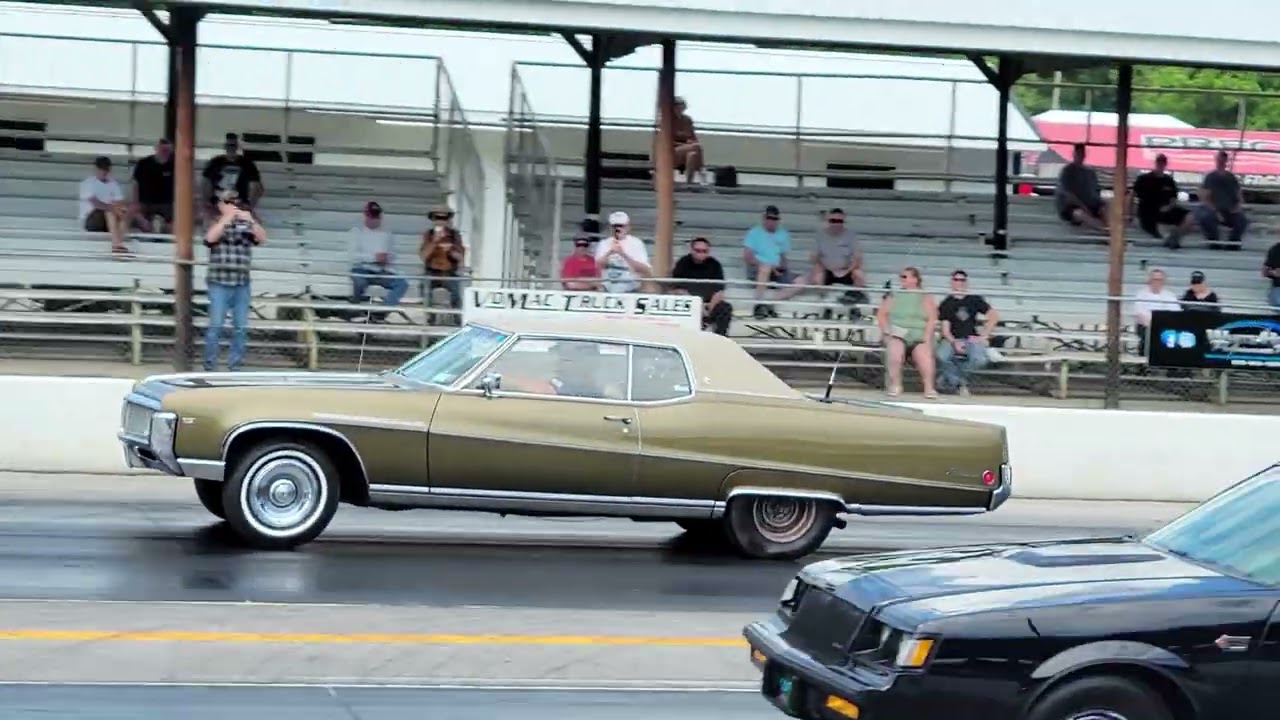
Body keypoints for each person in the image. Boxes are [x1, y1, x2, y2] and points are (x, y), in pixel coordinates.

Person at [202, 190, 265, 372]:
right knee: (216, 326)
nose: (233, 206)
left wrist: (251, 220)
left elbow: (262, 238)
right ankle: (209, 365)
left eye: (235, 202)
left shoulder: (247, 223)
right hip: (219, 282)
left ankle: (235, 365)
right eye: (228, 202)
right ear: (220, 204)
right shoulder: (214, 221)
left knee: (240, 328)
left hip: (241, 283)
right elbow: (209, 239)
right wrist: (226, 219)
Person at [875, 266, 938, 399]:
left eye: (905, 277)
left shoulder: (925, 297)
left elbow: (932, 318)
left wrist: (926, 337)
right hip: (898, 332)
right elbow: (881, 315)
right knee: (895, 353)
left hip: (918, 333)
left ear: (915, 279)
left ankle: (929, 387)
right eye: (901, 277)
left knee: (924, 356)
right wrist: (886, 329)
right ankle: (895, 385)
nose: (901, 279)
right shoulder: (894, 296)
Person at [935, 269, 998, 396]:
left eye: (962, 280)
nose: (959, 282)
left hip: (971, 338)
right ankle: (960, 383)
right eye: (956, 280)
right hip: (952, 338)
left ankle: (952, 379)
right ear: (951, 282)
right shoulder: (946, 303)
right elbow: (945, 329)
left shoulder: (974, 299)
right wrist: (954, 342)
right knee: (941, 356)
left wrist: (984, 335)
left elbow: (993, 316)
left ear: (966, 282)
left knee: (980, 360)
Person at [349, 201, 408, 319]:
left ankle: (382, 312)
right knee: (359, 282)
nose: (374, 220)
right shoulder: (356, 232)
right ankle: (355, 308)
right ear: (366, 216)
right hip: (362, 269)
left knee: (402, 284)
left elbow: (394, 253)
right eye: (371, 216)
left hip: (382, 270)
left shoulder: (387, 233)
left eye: (376, 217)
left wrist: (387, 258)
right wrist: (373, 258)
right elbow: (353, 256)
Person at [671, 236, 732, 335]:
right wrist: (698, 305)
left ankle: (721, 336)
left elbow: (719, 291)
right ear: (691, 250)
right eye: (698, 251)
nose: (701, 254)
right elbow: (678, 289)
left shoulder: (714, 264)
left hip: (709, 303)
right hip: (688, 301)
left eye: (704, 251)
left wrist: (709, 308)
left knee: (725, 308)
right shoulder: (683, 263)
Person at [1131, 153, 1193, 247]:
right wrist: (1130, 214)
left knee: (1190, 216)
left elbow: (1173, 199)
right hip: (1148, 212)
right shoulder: (1143, 179)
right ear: (1155, 163)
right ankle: (1169, 238)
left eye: (1162, 162)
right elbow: (1132, 196)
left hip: (1166, 211)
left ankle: (1177, 236)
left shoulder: (1169, 180)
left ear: (1165, 164)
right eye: (1159, 162)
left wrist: (1169, 207)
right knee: (1161, 229)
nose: (1160, 164)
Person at [201, 132, 263, 224]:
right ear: (225, 146)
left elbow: (256, 187)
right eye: (229, 145)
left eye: (233, 145)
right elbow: (206, 183)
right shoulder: (215, 162)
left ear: (237, 146)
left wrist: (249, 206)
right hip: (218, 205)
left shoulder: (247, 164)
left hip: (239, 205)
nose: (231, 148)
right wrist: (207, 204)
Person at [1195, 150, 1249, 248]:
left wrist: (1237, 207)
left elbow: (1239, 196)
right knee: (1206, 218)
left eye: (1223, 160)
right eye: (1219, 160)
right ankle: (1214, 242)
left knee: (1242, 221)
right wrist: (1215, 211)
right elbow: (1205, 198)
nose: (1221, 162)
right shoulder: (1210, 177)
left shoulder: (1232, 178)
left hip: (1230, 210)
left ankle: (1233, 244)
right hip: (1214, 209)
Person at [77, 155, 129, 254]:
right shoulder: (88, 183)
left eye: (106, 169)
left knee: (124, 211)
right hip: (91, 220)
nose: (104, 172)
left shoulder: (113, 184)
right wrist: (113, 207)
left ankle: (119, 243)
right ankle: (116, 244)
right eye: (101, 169)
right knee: (109, 210)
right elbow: (95, 203)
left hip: (109, 219)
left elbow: (119, 202)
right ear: (96, 169)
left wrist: (120, 209)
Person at [419, 205, 465, 309]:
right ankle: (430, 316)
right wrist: (434, 242)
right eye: (437, 218)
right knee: (424, 288)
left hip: (449, 272)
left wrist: (451, 251)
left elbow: (461, 257)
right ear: (433, 219)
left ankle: (457, 317)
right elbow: (423, 256)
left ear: (448, 220)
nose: (440, 221)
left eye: (444, 218)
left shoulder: (454, 235)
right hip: (432, 271)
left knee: (455, 291)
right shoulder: (429, 234)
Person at [1054, 143, 1108, 232]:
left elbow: (1096, 193)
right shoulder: (1067, 171)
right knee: (1080, 213)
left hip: (1091, 205)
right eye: (1078, 153)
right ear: (1074, 154)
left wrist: (1100, 203)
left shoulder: (1090, 173)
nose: (1080, 156)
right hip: (1072, 208)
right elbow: (1069, 195)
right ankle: (1104, 230)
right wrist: (1084, 207)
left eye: (1082, 153)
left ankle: (1110, 228)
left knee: (1105, 208)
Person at [594, 211, 651, 293]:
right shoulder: (604, 243)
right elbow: (597, 266)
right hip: (607, 289)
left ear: (628, 227)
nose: (618, 229)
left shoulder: (636, 243)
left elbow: (644, 269)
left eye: (621, 226)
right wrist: (610, 252)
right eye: (615, 226)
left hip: (630, 290)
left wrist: (623, 254)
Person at [129, 138, 174, 233]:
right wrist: (135, 204)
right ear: (156, 148)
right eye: (162, 150)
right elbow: (135, 184)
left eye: (167, 150)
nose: (164, 152)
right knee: (134, 212)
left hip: (167, 205)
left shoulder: (175, 165)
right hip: (145, 203)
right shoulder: (143, 164)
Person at [1131, 268, 1180, 357]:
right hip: (1146, 326)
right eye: (1155, 279)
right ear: (1149, 280)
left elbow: (1175, 312)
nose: (1157, 282)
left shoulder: (1170, 295)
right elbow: (1139, 313)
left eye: (1160, 280)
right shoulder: (1141, 294)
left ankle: (1170, 365)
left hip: (1164, 326)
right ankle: (1143, 364)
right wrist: (1153, 322)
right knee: (1147, 337)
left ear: (1164, 281)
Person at [1266, 240, 1280, 309]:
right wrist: (1273, 272)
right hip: (1278, 288)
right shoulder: (1275, 249)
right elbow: (1265, 272)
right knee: (1278, 301)